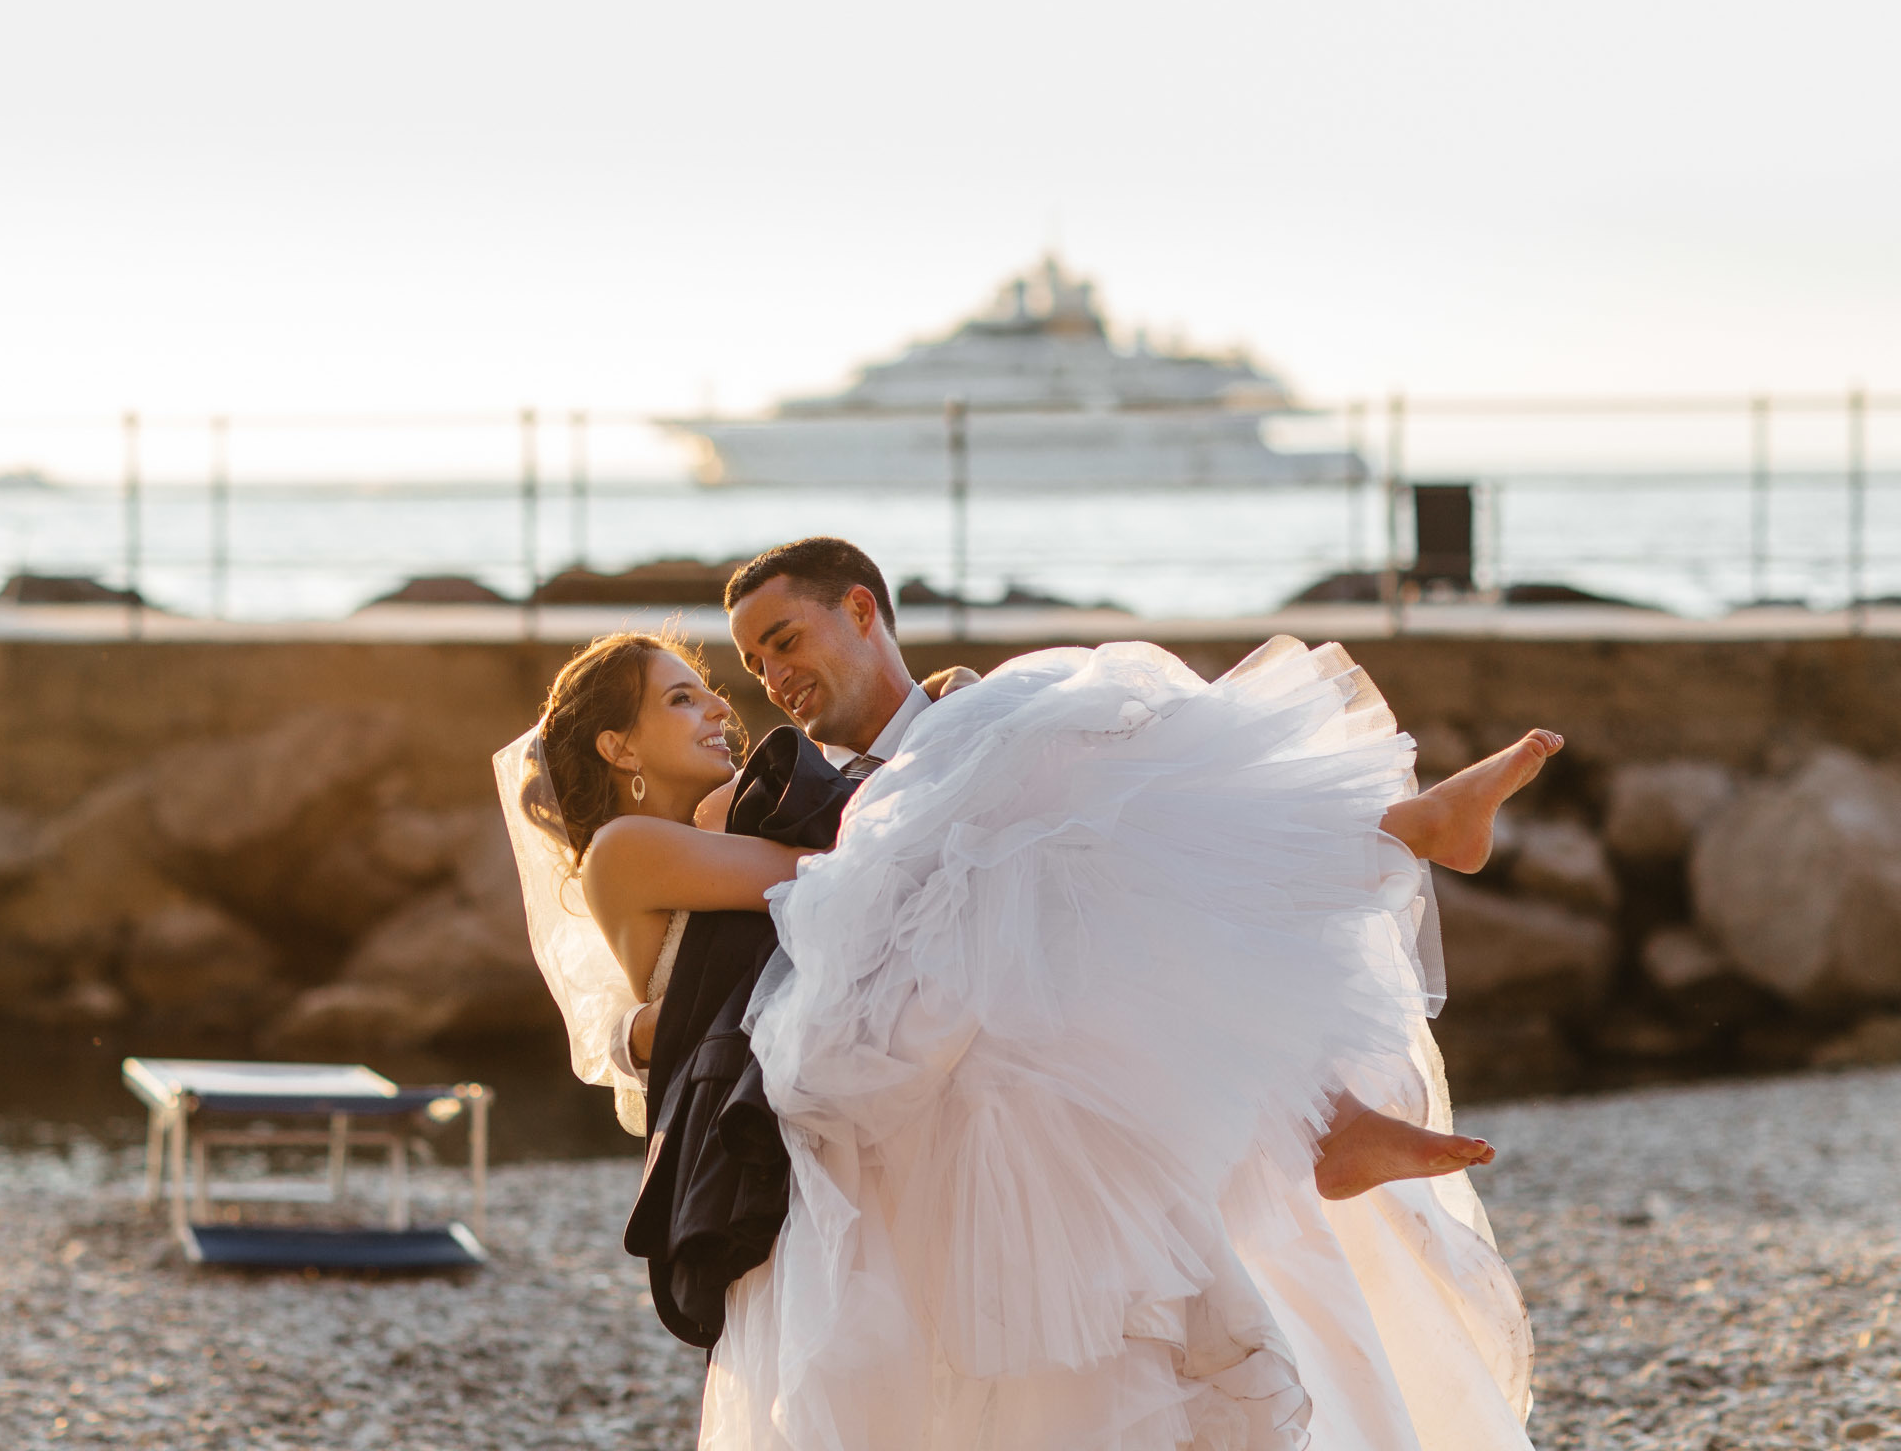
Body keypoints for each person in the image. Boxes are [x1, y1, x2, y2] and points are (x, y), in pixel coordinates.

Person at [495, 539, 1549, 1449]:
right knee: (1051, 853)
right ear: (618, 746)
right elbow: (808, 878)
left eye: (741, 667)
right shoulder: (632, 849)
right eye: (687, 694)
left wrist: (960, 761)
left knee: (1093, 924)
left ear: (862, 613)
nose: (735, 696)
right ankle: (1365, 930)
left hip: (854, 1046)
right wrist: (963, 777)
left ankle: (1327, 1084)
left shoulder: (739, 798)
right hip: (810, 1089)